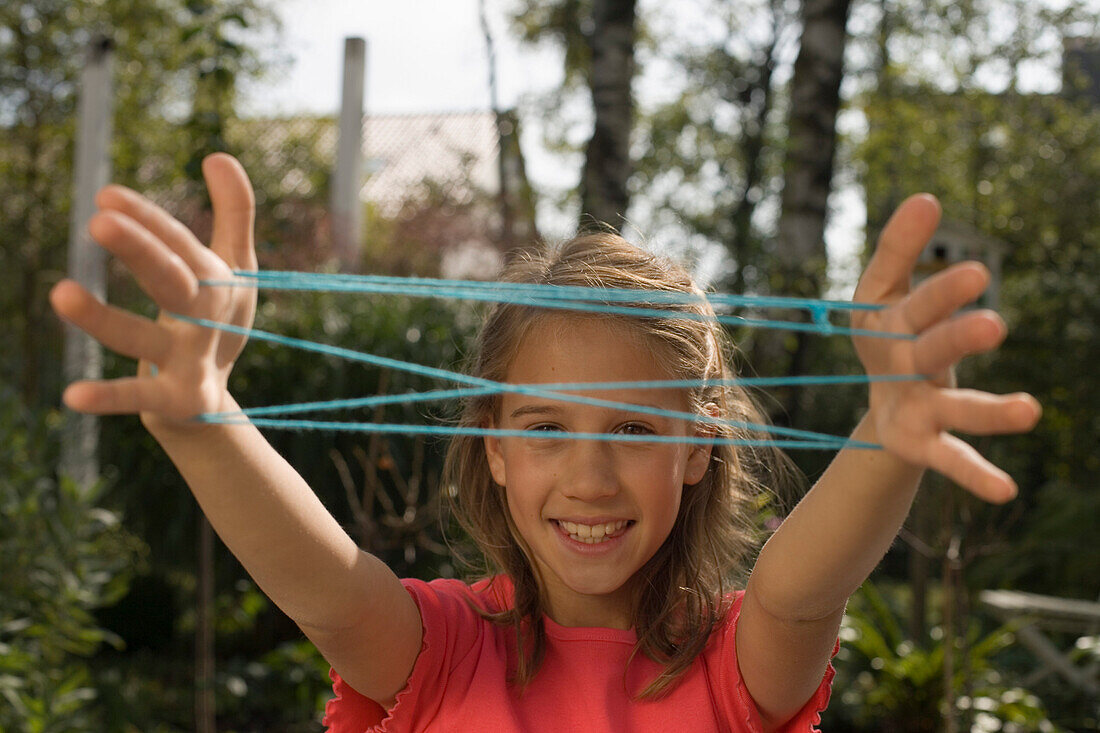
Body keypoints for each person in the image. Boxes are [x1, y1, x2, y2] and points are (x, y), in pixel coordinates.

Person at [50, 153, 1041, 732]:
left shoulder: (737, 662)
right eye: (543, 428)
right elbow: (325, 586)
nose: (588, 475)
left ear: (697, 446)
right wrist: (203, 420)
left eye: (632, 428)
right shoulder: (436, 652)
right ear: (491, 445)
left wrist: (886, 435)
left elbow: (798, 588)